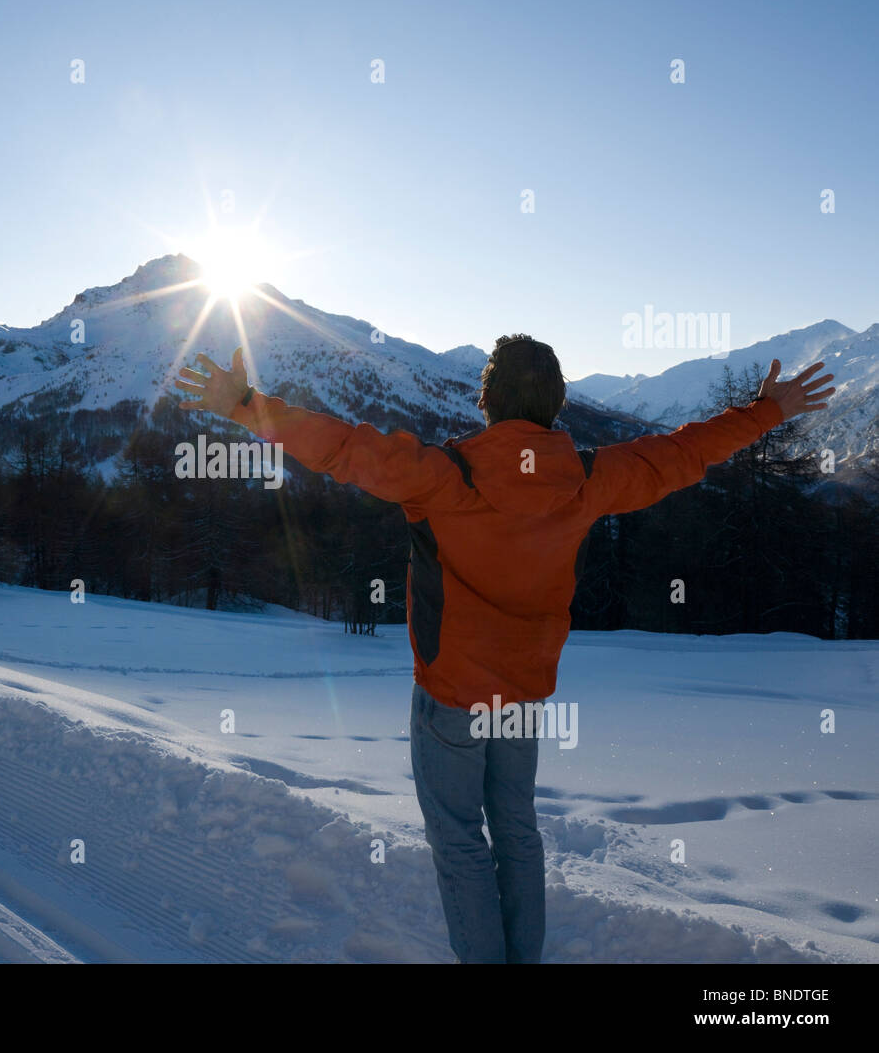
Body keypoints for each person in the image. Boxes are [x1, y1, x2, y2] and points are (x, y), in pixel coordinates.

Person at [175, 336, 834, 963]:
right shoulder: (585, 478)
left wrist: (244, 405)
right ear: (556, 405)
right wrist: (769, 410)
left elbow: (344, 448)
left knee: (459, 839)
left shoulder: (447, 476)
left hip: (452, 694)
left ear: (485, 403)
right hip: (524, 694)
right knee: (517, 829)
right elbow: (682, 454)